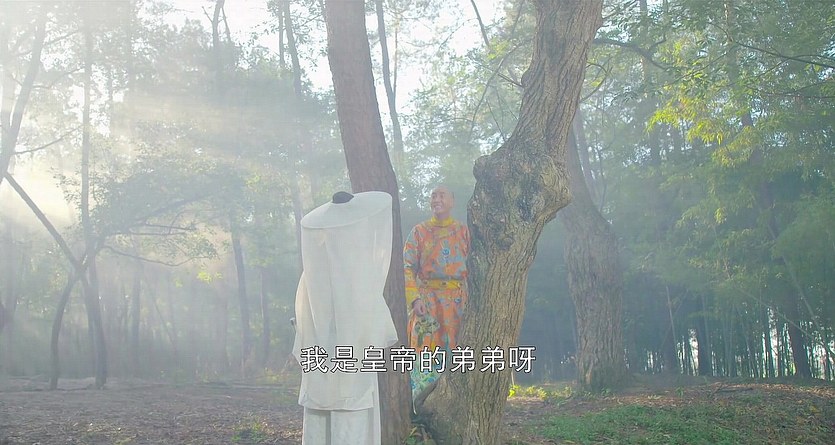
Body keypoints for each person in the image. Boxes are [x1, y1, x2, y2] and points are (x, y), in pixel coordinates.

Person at [403, 185, 470, 400]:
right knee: (424, 347)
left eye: (442, 195)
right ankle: (421, 400)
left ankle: (455, 400)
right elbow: (406, 267)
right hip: (427, 300)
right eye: (434, 196)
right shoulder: (419, 232)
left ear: (452, 202)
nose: (437, 200)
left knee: (457, 348)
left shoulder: (463, 231)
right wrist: (414, 299)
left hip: (457, 301)